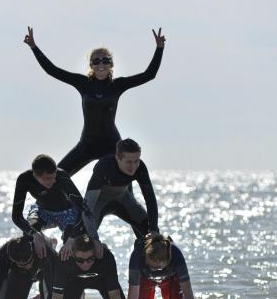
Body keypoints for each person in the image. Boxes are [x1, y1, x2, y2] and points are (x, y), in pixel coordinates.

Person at [24, 26, 166, 176]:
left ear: (111, 65)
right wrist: (34, 47)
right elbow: (52, 70)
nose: (101, 65)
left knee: (123, 185)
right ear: (91, 65)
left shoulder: (117, 85)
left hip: (112, 146)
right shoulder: (82, 83)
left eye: (105, 61)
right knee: (57, 177)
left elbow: (149, 75)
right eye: (96, 61)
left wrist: (159, 48)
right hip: (87, 144)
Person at [39, 234, 126, 299]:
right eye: (80, 260)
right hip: (74, 281)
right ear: (72, 254)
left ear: (95, 253)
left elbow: (114, 294)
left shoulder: (105, 256)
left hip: (100, 279)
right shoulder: (64, 258)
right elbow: (57, 297)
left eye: (90, 259)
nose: (85, 264)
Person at [82, 138, 158, 254]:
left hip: (124, 200)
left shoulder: (140, 167)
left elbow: (150, 199)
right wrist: (95, 239)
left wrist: (153, 230)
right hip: (100, 202)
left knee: (154, 238)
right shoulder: (104, 166)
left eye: (136, 161)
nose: (133, 166)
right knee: (85, 241)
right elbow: (87, 206)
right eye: (128, 162)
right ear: (118, 158)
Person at [12, 154, 89, 261]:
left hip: (67, 212)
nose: (53, 181)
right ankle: (49, 243)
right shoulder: (24, 180)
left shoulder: (61, 176)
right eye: (48, 178)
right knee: (30, 234)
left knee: (73, 242)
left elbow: (82, 209)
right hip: (43, 211)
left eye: (54, 176)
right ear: (35, 176)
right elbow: (16, 216)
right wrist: (35, 234)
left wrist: (72, 237)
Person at [125, 233, 201, 299]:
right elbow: (133, 293)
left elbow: (187, 290)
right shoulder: (137, 256)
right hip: (145, 278)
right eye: (152, 266)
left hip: (170, 277)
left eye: (159, 268)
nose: (155, 270)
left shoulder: (176, 255)